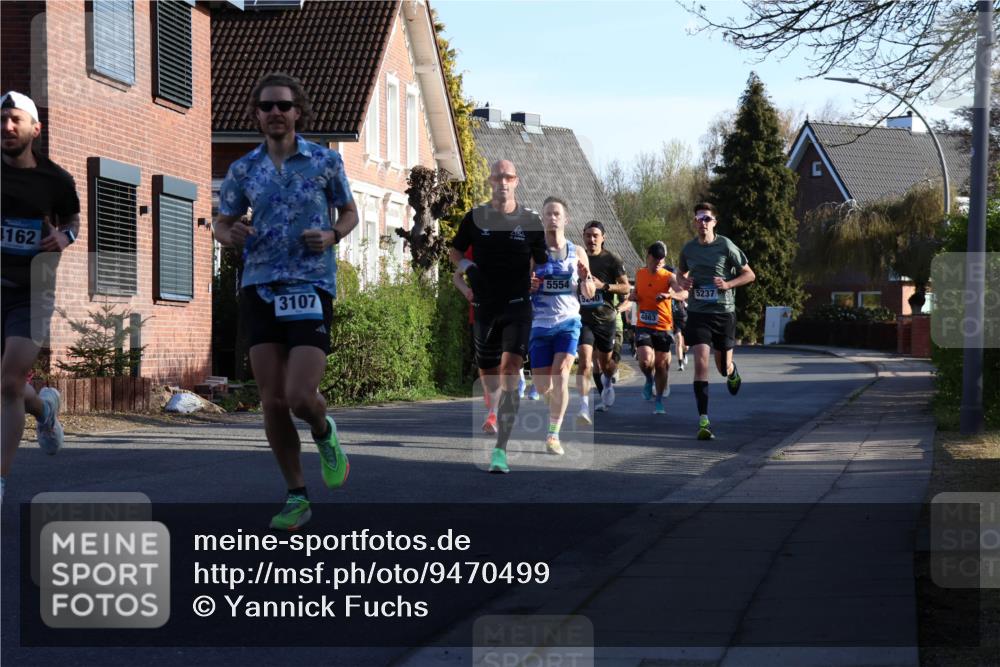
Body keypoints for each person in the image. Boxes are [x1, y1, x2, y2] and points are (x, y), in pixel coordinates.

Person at [215, 73, 357, 530]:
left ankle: (323, 429)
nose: (275, 113)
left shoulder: (324, 162)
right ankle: (297, 494)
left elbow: (350, 211)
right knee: (272, 402)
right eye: (266, 106)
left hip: (311, 286)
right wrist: (229, 233)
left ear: (299, 111)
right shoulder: (243, 170)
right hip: (258, 287)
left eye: (284, 105)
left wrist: (333, 233)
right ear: (255, 115)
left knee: (299, 395)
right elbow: (223, 222)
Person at [1, 91, 77, 500]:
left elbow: (75, 221)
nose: (7, 127)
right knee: (7, 386)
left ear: (35, 128)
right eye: (1, 120)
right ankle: (44, 409)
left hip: (32, 293)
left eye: (15, 119)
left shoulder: (56, 180)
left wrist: (64, 236)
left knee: (9, 379)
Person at [450, 160, 546, 474]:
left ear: (516, 181)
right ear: (490, 181)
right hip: (485, 307)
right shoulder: (475, 218)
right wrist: (467, 269)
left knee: (510, 371)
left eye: (508, 177)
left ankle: (500, 450)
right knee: (489, 376)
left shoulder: (530, 220)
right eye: (497, 177)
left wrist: (538, 277)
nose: (502, 182)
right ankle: (495, 413)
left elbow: (541, 260)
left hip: (518, 305)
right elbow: (455, 252)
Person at [677, 202, 755, 440]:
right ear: (695, 222)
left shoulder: (725, 245)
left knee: (722, 368)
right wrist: (684, 282)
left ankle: (732, 371)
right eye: (699, 219)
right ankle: (704, 420)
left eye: (707, 219)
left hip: (723, 312)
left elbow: (749, 274)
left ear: (714, 222)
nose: (703, 223)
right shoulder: (688, 249)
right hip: (699, 313)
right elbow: (680, 274)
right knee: (701, 361)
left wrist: (728, 284)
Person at [529, 198, 595, 455]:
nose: (552, 218)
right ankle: (554, 401)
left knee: (562, 373)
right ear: (543, 219)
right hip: (540, 324)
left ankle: (553, 435)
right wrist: (530, 285)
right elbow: (524, 286)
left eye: (557, 214)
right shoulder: (535, 253)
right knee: (544, 385)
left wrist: (584, 276)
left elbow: (588, 293)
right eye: (548, 214)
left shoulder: (577, 252)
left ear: (565, 219)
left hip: (568, 322)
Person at [575, 220, 629, 422]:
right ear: (583, 236)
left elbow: (625, 288)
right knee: (586, 361)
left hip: (605, 319)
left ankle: (607, 383)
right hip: (582, 319)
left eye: (595, 235)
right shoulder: (576, 258)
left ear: (603, 238)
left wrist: (604, 286)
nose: (591, 239)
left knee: (606, 364)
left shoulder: (611, 260)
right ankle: (583, 406)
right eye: (588, 235)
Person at [632, 242, 687, 415]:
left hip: (663, 326)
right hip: (643, 325)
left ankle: (659, 401)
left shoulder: (668, 276)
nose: (658, 264)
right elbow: (636, 293)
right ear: (648, 256)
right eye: (656, 260)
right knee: (646, 360)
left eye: (661, 261)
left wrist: (670, 294)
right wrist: (633, 296)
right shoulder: (639, 273)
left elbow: (684, 293)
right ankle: (649, 379)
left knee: (661, 366)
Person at [453, 248, 500, 433]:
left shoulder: (513, 244)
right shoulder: (475, 248)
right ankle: (492, 401)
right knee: (485, 366)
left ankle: (493, 413)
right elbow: (457, 277)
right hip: (480, 316)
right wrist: (467, 292)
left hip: (508, 315)